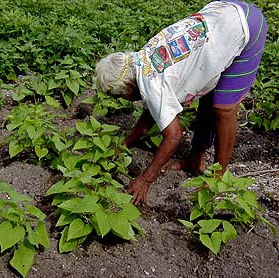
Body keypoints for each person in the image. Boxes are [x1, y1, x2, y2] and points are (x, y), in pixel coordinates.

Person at [95, 0, 267, 205]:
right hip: (223, 15)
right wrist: (123, 145)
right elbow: (152, 112)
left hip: (246, 26)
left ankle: (218, 179)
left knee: (223, 108)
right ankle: (195, 160)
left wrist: (145, 179)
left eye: (119, 95)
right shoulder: (142, 61)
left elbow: (174, 136)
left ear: (128, 87)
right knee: (209, 98)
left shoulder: (153, 85)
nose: (122, 100)